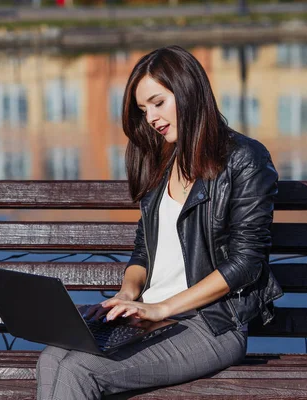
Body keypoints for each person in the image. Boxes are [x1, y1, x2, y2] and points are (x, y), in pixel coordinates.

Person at [36, 45, 283, 399]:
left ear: (187, 91)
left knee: (79, 369)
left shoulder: (244, 159)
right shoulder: (163, 161)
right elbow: (143, 252)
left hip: (211, 325)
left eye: (158, 102)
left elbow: (245, 263)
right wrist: (126, 295)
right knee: (52, 358)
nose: (151, 117)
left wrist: (162, 307)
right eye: (143, 109)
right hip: (151, 318)